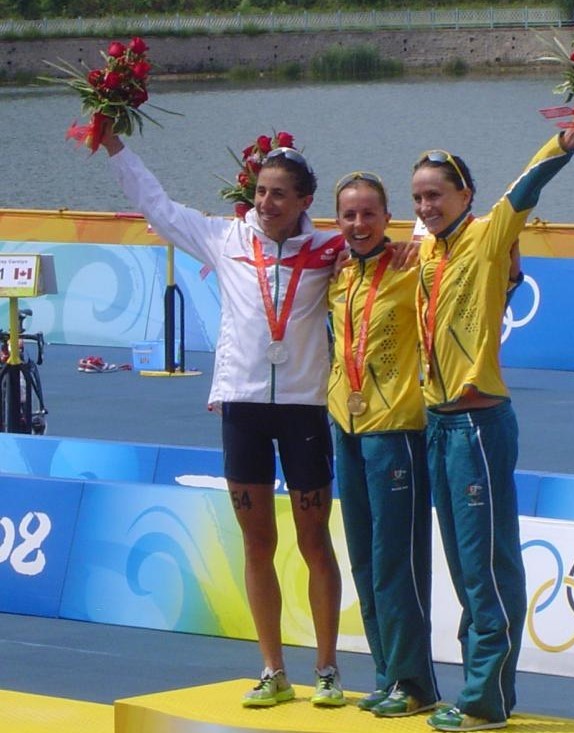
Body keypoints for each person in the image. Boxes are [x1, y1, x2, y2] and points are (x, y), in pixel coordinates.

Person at [96, 126, 347, 708]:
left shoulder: (329, 251)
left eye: (280, 193)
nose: (266, 203)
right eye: (261, 191)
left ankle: (329, 669)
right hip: (242, 409)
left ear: (305, 201)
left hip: (306, 410)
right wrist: (114, 147)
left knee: (315, 543)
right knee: (257, 542)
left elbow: (387, 250)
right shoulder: (223, 238)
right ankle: (272, 669)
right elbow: (155, 206)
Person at [411, 128, 574, 732]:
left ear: (466, 195)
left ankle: (485, 696)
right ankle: (481, 689)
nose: (426, 207)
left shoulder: (488, 236)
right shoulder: (429, 253)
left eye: (436, 194)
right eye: (418, 198)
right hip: (435, 421)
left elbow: (529, 182)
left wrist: (567, 137)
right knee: (464, 567)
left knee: (488, 564)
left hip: (478, 425)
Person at [328, 171, 439, 717]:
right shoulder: (338, 272)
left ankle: (415, 682)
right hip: (344, 425)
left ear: (388, 217)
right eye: (349, 214)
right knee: (366, 561)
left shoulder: (411, 265)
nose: (358, 223)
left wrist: (414, 241)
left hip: (395, 427)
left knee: (397, 560)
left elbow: (460, 237)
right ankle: (386, 672)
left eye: (369, 213)